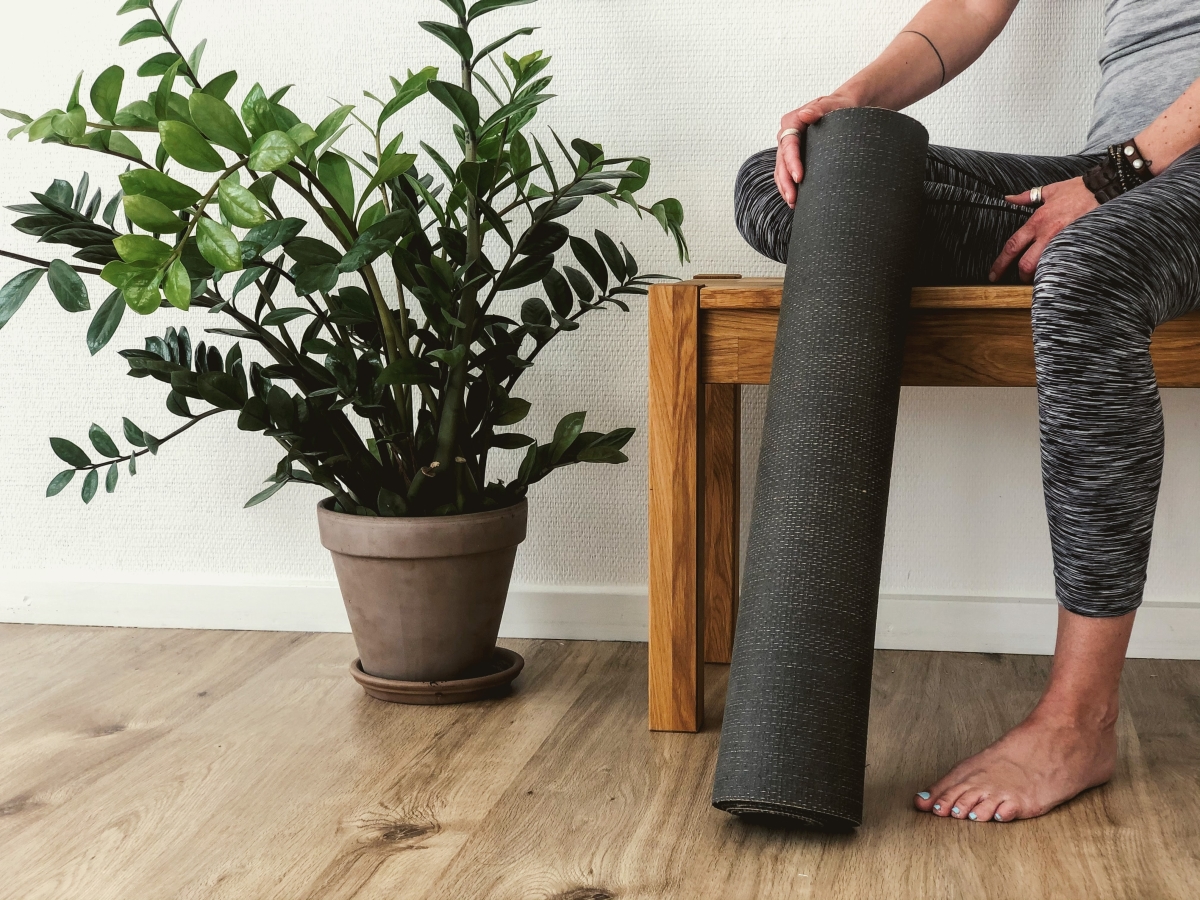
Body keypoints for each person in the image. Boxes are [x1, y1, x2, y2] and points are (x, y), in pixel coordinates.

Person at [735, 0, 1200, 823]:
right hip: (1122, 173)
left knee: (1086, 272)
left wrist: (1116, 178)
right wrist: (859, 101)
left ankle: (1078, 721)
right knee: (807, 182)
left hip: (1136, 174)